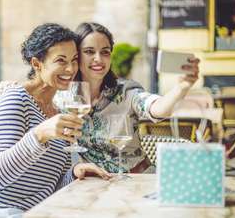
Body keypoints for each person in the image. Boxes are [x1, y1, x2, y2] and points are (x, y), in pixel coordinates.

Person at [0, 23, 111, 215]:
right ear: (37, 64)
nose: (70, 69)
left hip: (30, 212)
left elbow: (47, 186)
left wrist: (74, 173)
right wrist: (39, 135)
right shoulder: (14, 99)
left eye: (74, 60)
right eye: (61, 61)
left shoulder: (58, 111)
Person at [73, 22, 200, 173]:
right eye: (89, 51)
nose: (98, 58)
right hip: (94, 185)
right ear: (77, 56)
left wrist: (182, 87)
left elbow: (158, 108)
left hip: (138, 179)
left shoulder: (126, 91)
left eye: (105, 52)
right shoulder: (66, 99)